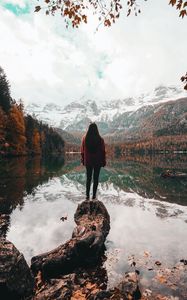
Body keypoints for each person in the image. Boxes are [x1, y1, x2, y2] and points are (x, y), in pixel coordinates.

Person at [81, 123, 106, 200]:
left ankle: (87, 196)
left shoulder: (84, 138)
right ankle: (94, 196)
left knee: (88, 179)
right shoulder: (100, 139)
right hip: (97, 161)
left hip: (88, 161)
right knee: (96, 179)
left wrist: (83, 160)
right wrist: (104, 161)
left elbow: (82, 151)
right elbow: (103, 151)